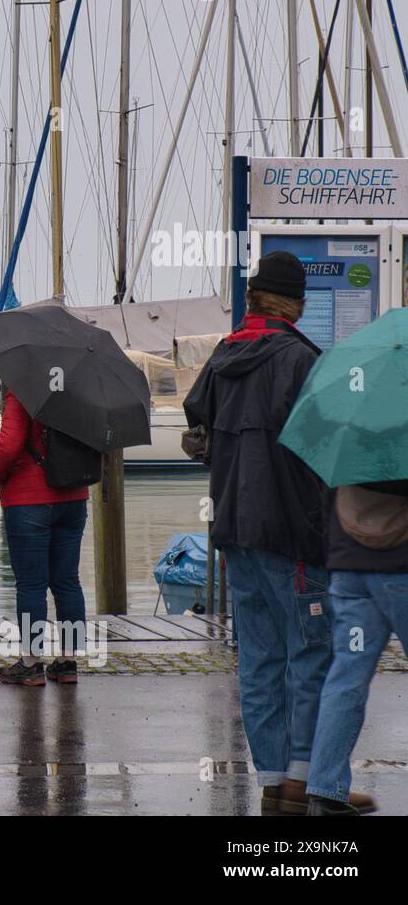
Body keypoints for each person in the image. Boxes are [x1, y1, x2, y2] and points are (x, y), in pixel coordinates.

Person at [184, 249, 369, 815]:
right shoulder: (301, 360)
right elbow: (332, 450)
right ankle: (306, 779)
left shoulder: (221, 356)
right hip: (292, 532)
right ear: (298, 303)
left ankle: (272, 779)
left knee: (260, 658)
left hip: (234, 532)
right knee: (311, 654)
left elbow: (197, 436)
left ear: (254, 300)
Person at [305, 479, 407, 814]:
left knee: (346, 677)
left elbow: (323, 498)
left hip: (351, 574)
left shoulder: (346, 431)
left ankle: (325, 791)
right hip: (400, 572)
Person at [0, 390, 89, 686]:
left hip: (29, 500)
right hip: (73, 496)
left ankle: (31, 663)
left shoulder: (25, 393)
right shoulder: (81, 393)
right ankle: (68, 661)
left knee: (31, 584)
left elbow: (8, 445)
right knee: (68, 580)